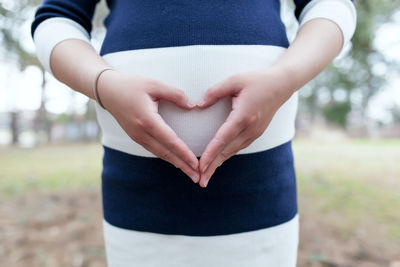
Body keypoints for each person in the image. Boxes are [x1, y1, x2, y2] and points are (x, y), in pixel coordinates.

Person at [30, 0, 357, 266]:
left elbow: (332, 6)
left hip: (260, 196)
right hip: (138, 200)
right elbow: (56, 17)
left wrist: (286, 76)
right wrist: (102, 83)